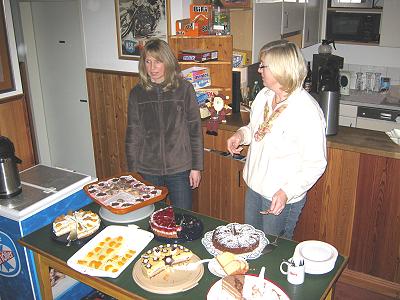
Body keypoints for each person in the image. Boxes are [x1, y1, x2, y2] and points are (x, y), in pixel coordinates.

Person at [227, 40, 327, 239]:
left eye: (264, 66)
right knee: (250, 241)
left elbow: (315, 164)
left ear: (281, 70)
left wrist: (286, 192)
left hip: (280, 196)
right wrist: (240, 135)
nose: (259, 70)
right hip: (255, 188)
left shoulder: (306, 110)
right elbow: (255, 129)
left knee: (273, 251)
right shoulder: (264, 95)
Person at [125, 38, 203, 210]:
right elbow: (133, 133)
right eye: (148, 61)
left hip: (179, 168)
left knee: (182, 217)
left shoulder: (184, 88)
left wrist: (196, 167)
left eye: (158, 61)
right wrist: (133, 172)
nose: (152, 68)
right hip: (147, 169)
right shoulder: (137, 93)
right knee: (151, 217)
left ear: (167, 62)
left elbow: (195, 130)